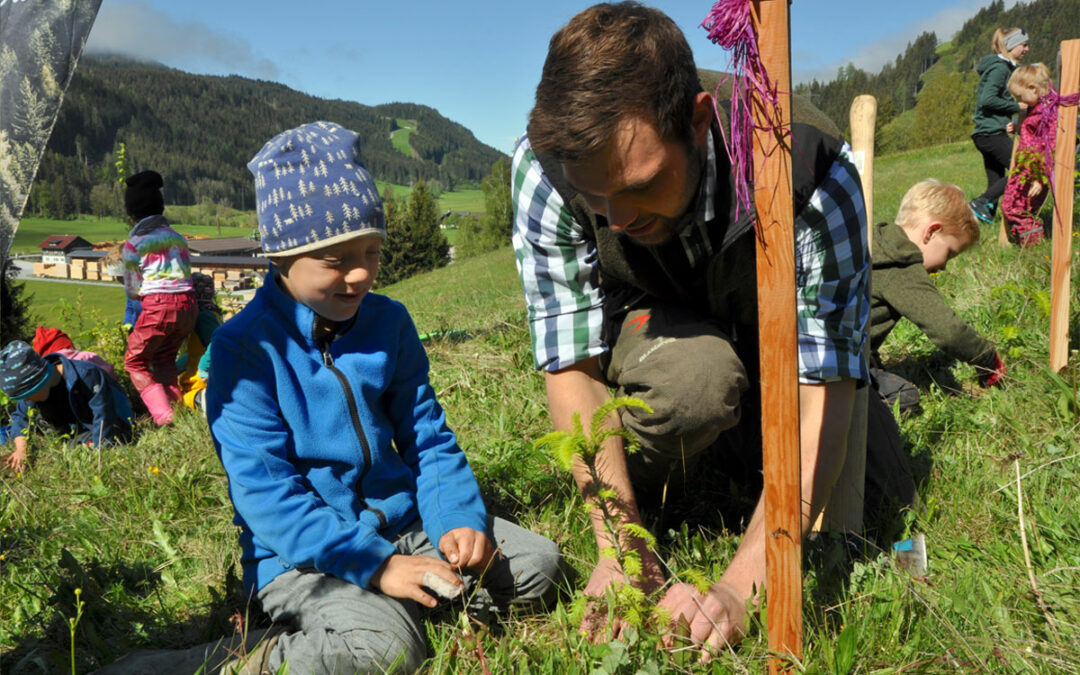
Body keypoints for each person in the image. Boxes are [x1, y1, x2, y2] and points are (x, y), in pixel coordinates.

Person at [512, 2, 869, 655]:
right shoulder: (546, 170)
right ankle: (675, 470)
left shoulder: (810, 167)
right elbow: (572, 370)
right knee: (696, 386)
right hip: (660, 331)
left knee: (873, 489)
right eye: (597, 198)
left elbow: (821, 402)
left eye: (641, 185)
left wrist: (742, 585)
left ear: (700, 121)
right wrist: (620, 547)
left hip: (777, 339)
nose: (616, 219)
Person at [202, 121, 560, 674]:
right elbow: (267, 497)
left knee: (538, 566)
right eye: (337, 259)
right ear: (280, 257)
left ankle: (394, 610)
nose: (362, 274)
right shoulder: (242, 351)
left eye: (372, 250)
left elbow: (427, 437)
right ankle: (240, 661)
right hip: (304, 558)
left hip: (403, 527)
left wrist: (457, 519)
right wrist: (376, 565)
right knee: (386, 653)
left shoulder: (389, 322)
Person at [870, 179, 1005, 411]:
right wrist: (987, 358)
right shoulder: (901, 263)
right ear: (931, 232)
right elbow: (947, 330)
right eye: (949, 253)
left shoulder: (876, 239)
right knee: (905, 398)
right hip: (831, 366)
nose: (943, 267)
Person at [121, 170, 197, 426]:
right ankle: (177, 410)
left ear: (131, 214)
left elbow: (132, 289)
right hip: (188, 307)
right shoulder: (178, 238)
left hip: (158, 308)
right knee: (164, 358)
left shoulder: (135, 243)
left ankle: (165, 417)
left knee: (135, 361)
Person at [0, 340, 133, 473]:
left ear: (40, 381)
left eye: (28, 395)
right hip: (73, 426)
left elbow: (104, 415)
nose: (26, 399)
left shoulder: (87, 375)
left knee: (113, 436)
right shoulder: (35, 391)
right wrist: (21, 450)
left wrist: (100, 453)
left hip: (110, 422)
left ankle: (84, 443)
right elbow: (20, 417)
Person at [970, 27, 1030, 224]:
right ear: (1011, 46)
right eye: (1024, 45)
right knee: (1021, 167)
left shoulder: (1004, 68)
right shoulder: (1000, 69)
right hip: (991, 132)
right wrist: (1016, 106)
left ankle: (986, 217)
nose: (1027, 49)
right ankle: (980, 202)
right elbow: (987, 99)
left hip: (986, 132)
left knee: (996, 180)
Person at [1002, 63, 1064, 246]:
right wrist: (1016, 128)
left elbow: (1050, 147)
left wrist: (1039, 177)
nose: (1019, 101)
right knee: (1012, 205)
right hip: (1024, 170)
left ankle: (1033, 242)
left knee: (1018, 207)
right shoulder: (1034, 108)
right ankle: (1024, 240)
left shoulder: (1049, 112)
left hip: (1034, 172)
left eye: (1020, 96)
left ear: (1033, 88)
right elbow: (1029, 135)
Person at [175, 272, 222, 410]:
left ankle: (205, 399)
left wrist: (203, 367)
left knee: (183, 400)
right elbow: (195, 351)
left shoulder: (204, 317)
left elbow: (217, 342)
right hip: (199, 376)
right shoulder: (209, 314)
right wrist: (176, 368)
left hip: (201, 381)